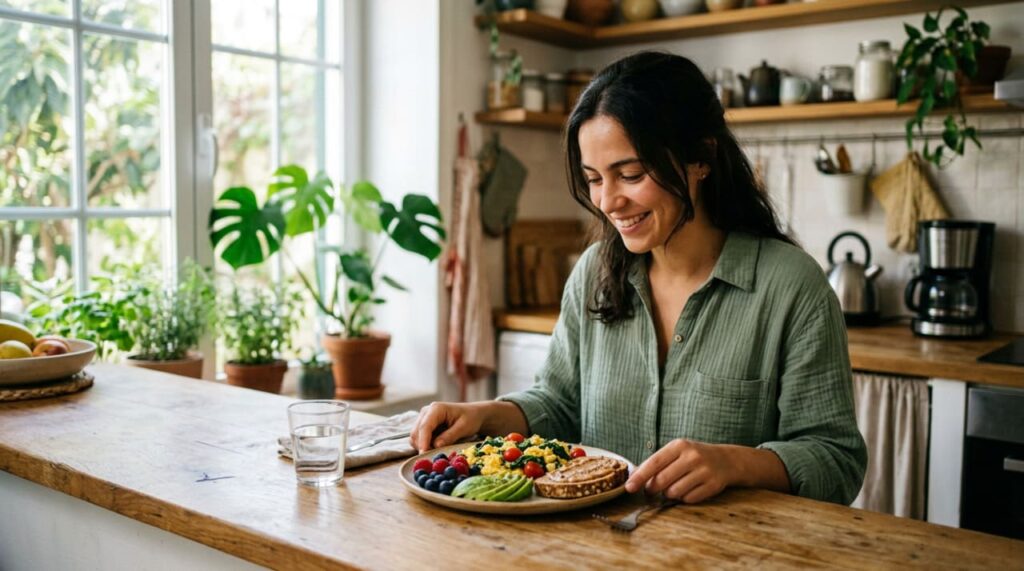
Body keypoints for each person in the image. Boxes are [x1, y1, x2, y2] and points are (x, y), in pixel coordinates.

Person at [412, 52, 867, 505]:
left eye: (629, 174)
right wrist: (485, 416)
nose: (608, 201)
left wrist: (735, 464)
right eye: (594, 179)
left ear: (701, 157)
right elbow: (561, 403)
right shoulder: (593, 273)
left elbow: (836, 461)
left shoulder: (791, 288)